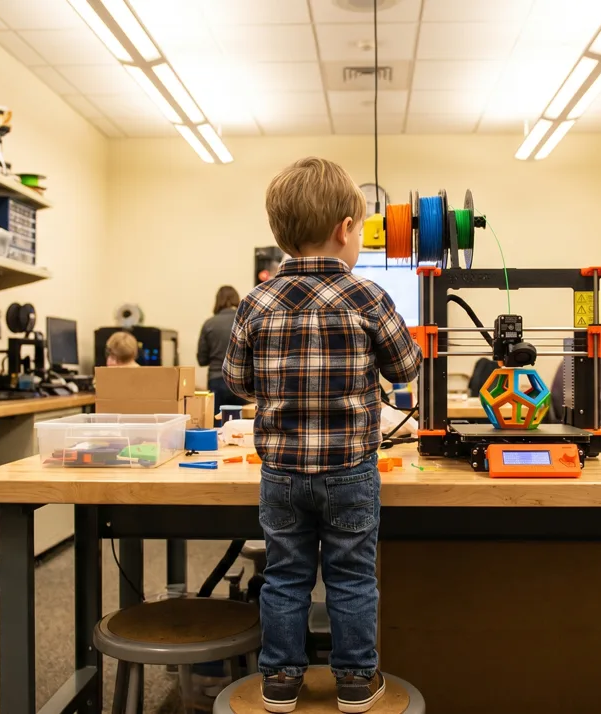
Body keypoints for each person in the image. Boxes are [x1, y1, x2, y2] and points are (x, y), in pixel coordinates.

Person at [223, 157, 421, 713]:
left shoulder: (254, 302)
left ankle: (280, 682)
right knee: (352, 575)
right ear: (344, 229)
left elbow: (237, 382)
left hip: (281, 473)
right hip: (350, 472)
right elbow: (406, 371)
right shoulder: (369, 297)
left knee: (285, 575)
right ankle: (356, 681)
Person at [197, 285, 244, 407]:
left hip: (216, 380)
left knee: (216, 422)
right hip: (241, 380)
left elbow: (202, 360)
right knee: (242, 422)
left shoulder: (209, 324)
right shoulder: (245, 321)